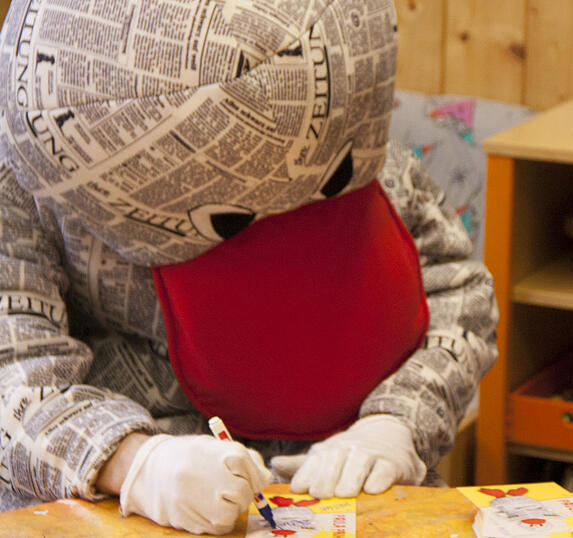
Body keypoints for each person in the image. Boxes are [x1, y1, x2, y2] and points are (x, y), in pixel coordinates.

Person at [0, 0, 497, 535]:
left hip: (358, 495)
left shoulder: (351, 146)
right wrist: (133, 462)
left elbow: (456, 295)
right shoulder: (25, 182)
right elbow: (14, 368)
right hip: (128, 506)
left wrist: (399, 423)